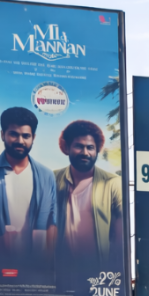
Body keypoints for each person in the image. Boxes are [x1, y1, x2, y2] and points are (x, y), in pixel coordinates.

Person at [0, 107, 57, 266]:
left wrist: (46, 262)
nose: (20, 141)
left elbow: (52, 223)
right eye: (14, 134)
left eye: (26, 136)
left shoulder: (46, 175)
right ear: (2, 135)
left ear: (33, 137)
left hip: (35, 269)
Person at [53, 120, 125, 286]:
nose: (85, 152)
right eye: (79, 146)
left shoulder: (113, 183)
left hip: (98, 278)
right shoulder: (52, 180)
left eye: (90, 147)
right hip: (59, 276)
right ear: (66, 148)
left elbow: (119, 240)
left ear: (97, 150)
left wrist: (113, 279)